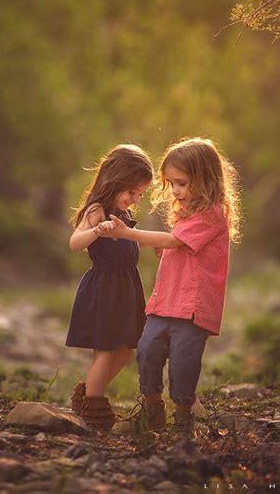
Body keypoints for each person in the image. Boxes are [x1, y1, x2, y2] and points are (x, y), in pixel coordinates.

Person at [96, 137, 241, 435]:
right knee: (147, 351)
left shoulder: (213, 213)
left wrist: (127, 234)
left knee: (182, 363)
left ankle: (184, 418)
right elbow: (178, 248)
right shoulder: (185, 212)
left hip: (192, 308)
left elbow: (174, 241)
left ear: (206, 179)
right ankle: (152, 410)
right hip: (166, 302)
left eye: (182, 183)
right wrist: (163, 249)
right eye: (171, 183)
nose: (175, 190)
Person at [66, 144, 153, 430]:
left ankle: (87, 392)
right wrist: (96, 230)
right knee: (106, 350)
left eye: (140, 194)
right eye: (131, 192)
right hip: (104, 288)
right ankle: (94, 407)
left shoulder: (123, 214)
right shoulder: (98, 210)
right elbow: (75, 243)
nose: (135, 198)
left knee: (126, 350)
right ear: (114, 180)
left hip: (126, 288)